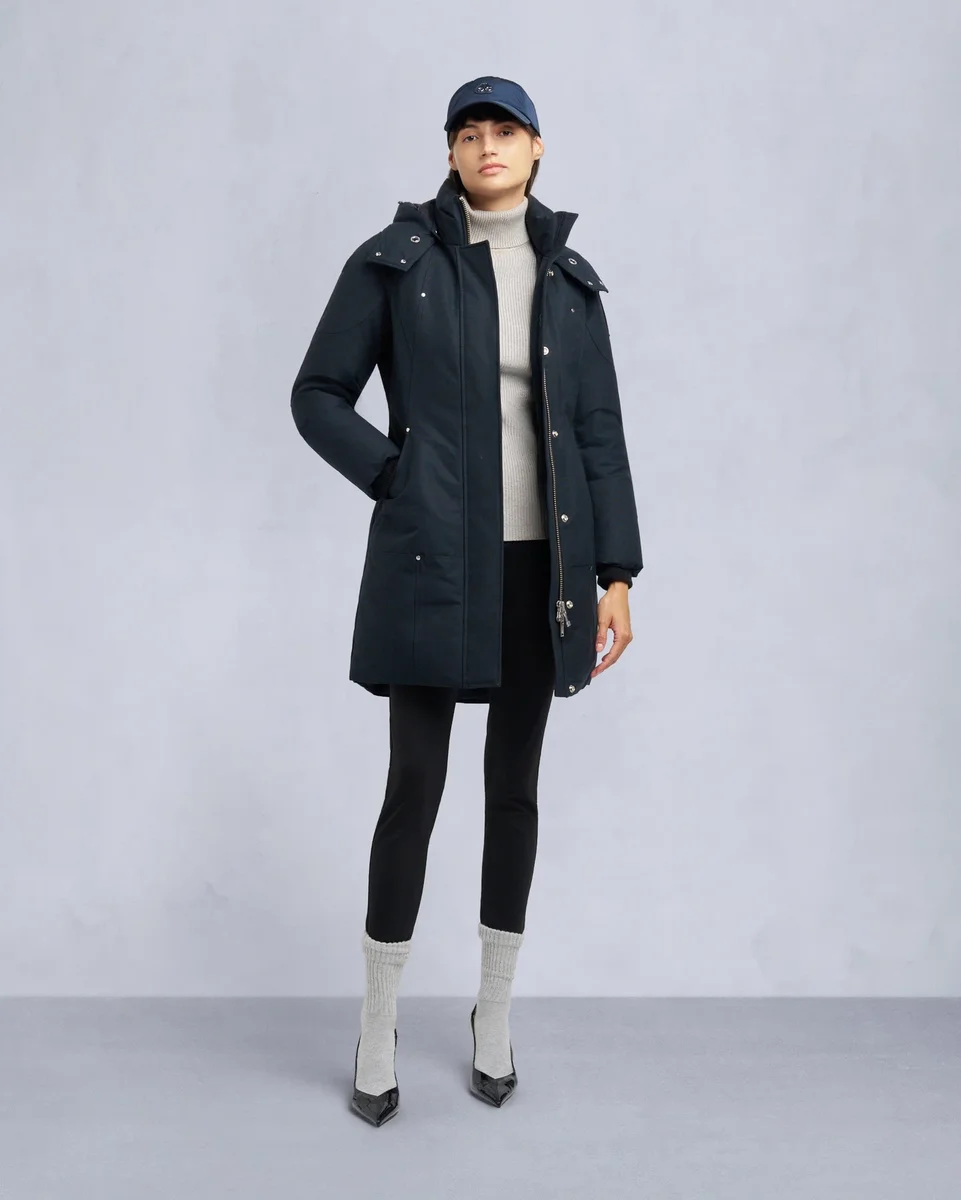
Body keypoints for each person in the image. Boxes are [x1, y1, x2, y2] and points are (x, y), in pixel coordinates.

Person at [290, 76, 644, 1126]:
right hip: (431, 565)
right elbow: (317, 393)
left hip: (544, 572)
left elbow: (598, 433)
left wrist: (617, 573)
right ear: (449, 153)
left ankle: (493, 1013)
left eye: (506, 131)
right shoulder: (396, 262)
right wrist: (395, 476)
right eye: (468, 133)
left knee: (514, 789)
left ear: (536, 148)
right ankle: (378, 1020)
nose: (487, 146)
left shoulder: (568, 280)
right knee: (414, 785)